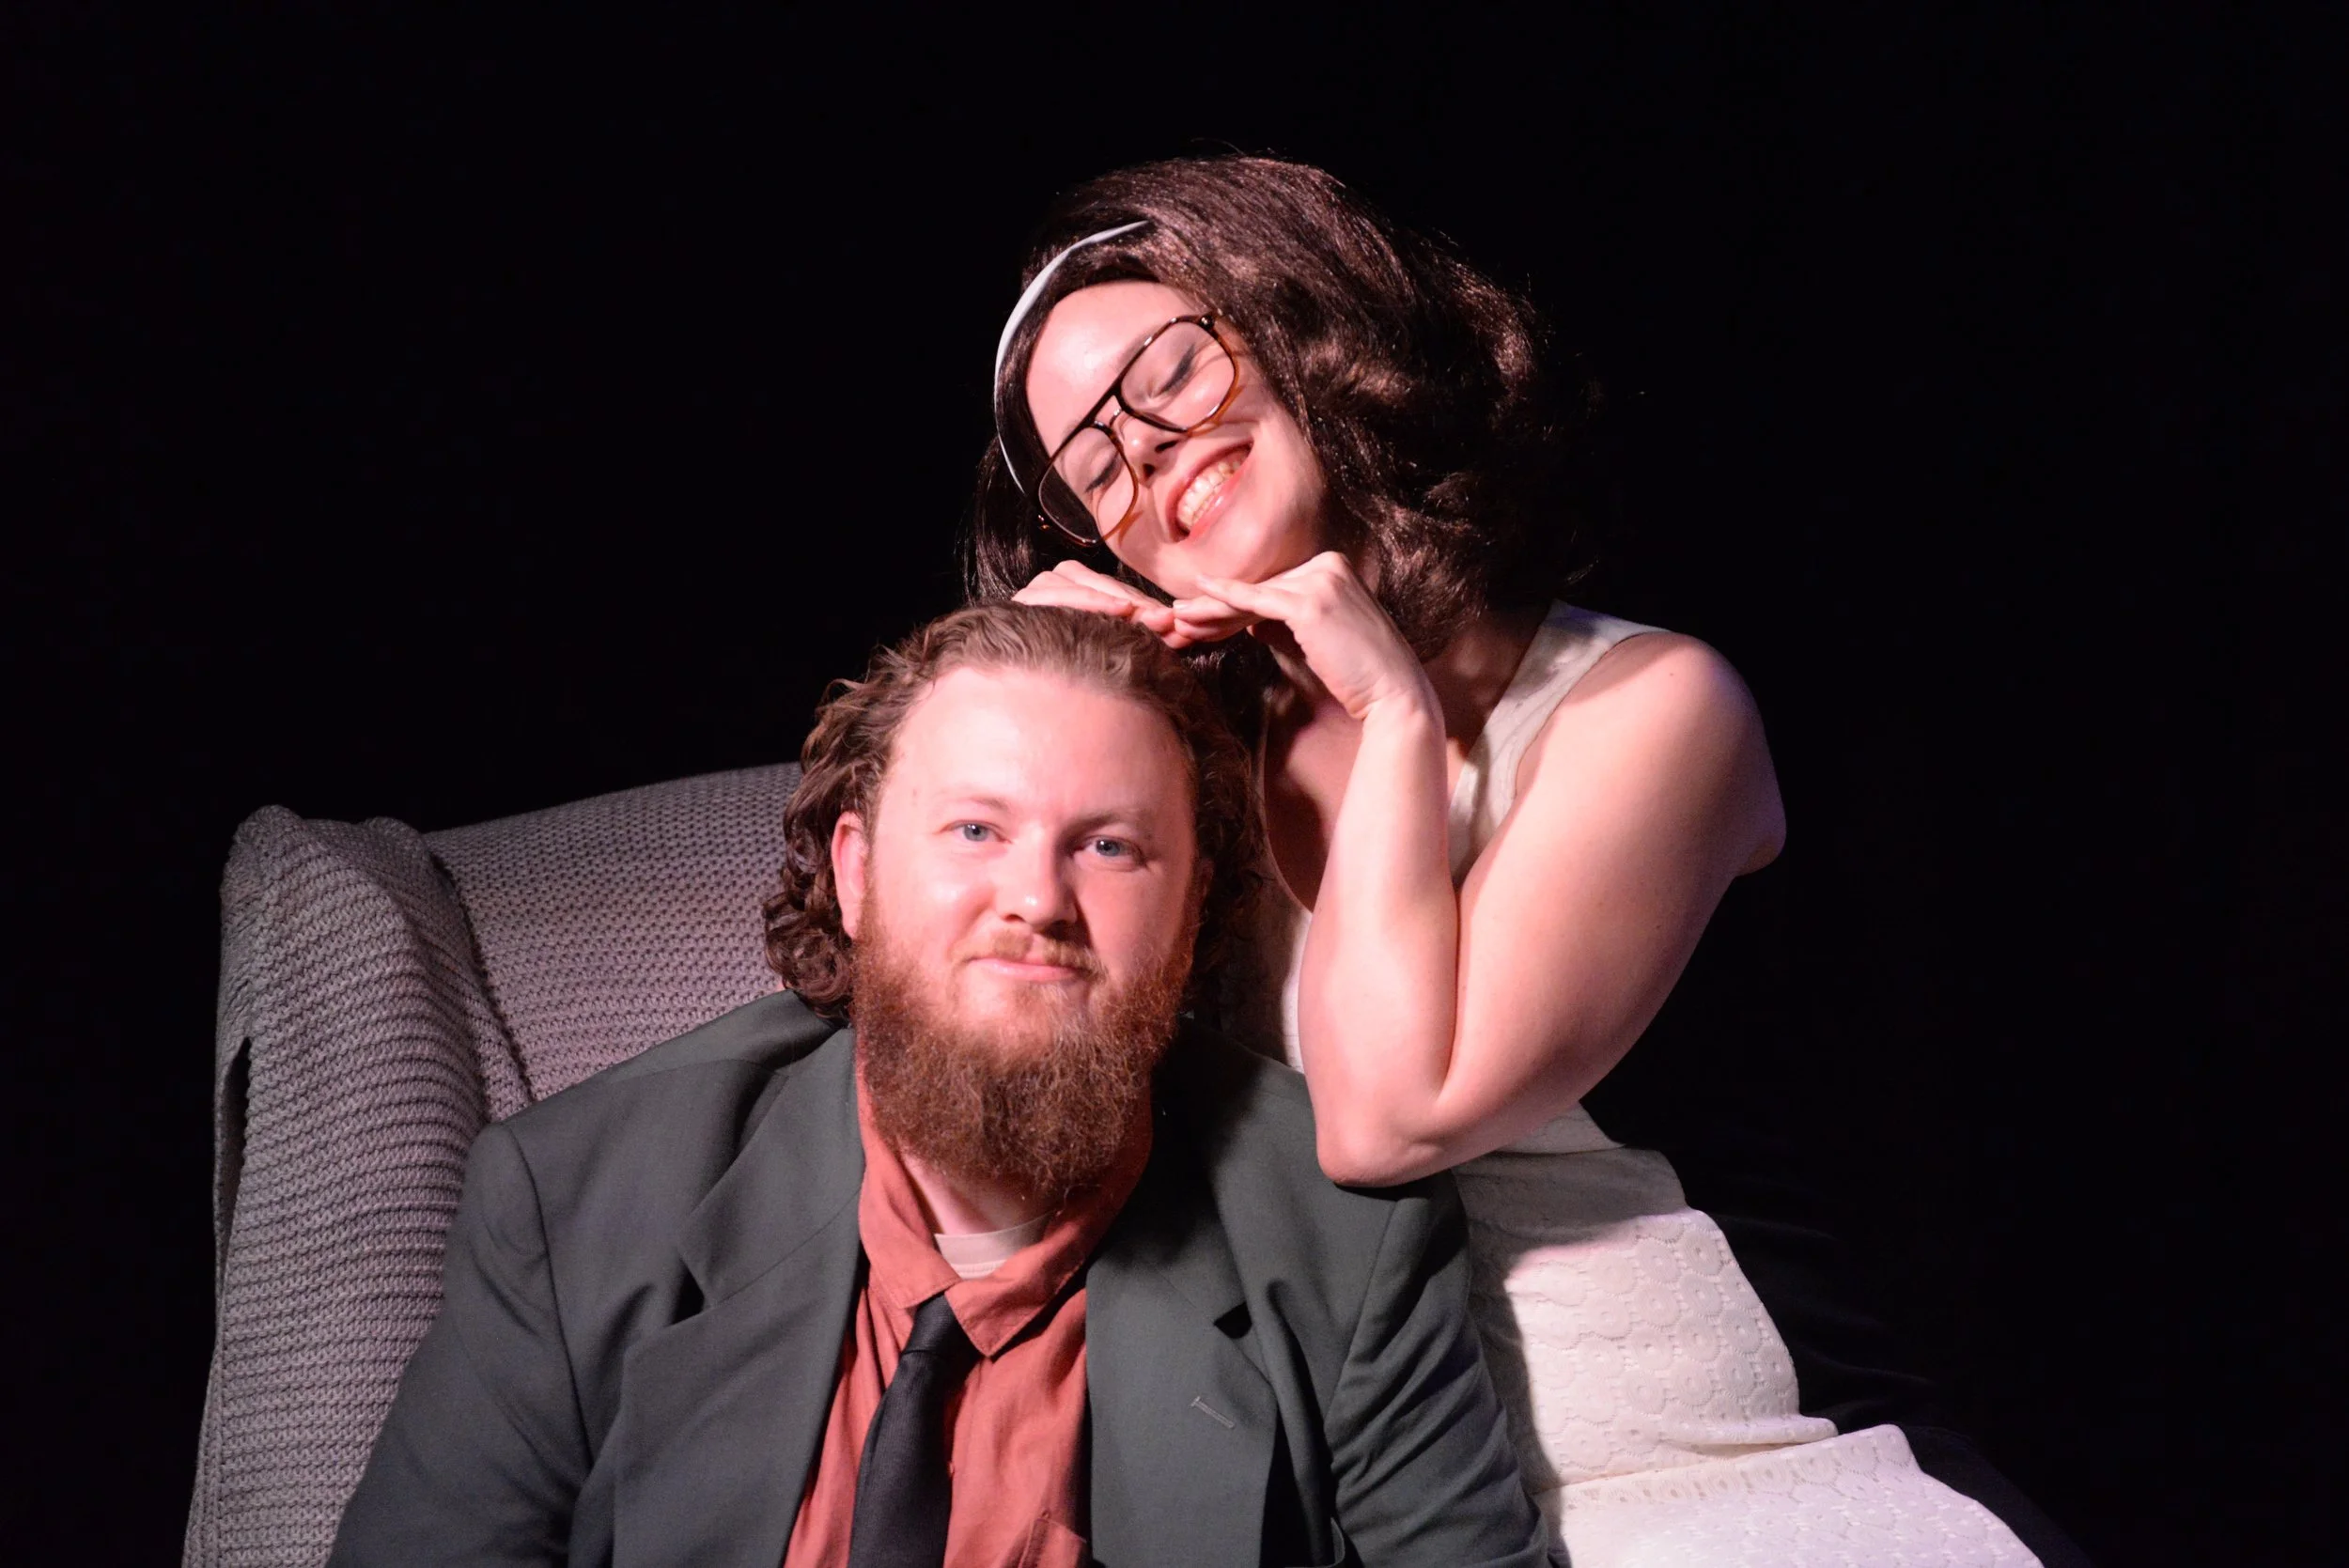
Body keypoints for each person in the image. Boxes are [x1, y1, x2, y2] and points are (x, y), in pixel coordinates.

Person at [977, 155, 2087, 1567]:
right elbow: (989, 1095)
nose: (1144, 454)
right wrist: (1050, 712)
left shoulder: (1656, 711)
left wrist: (1391, 712)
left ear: (1305, 325)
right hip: (1381, 1509)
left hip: (1730, 1470)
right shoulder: (1189, 775)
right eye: (1091, 467)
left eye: (1171, 372)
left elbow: (1390, 1119)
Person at [329, 602, 1548, 1568]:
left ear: (1192, 918)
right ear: (856, 874)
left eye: (1110, 846)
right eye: (976, 830)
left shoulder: (1348, 1244)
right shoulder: (573, 1198)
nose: (1038, 899)